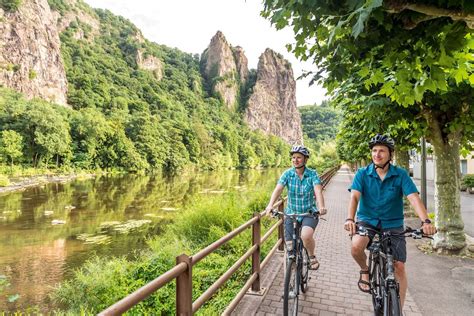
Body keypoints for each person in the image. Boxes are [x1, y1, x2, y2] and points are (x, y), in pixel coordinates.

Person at [344, 134, 436, 309]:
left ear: (390, 154)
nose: (377, 154)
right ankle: (365, 270)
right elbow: (354, 197)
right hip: (367, 221)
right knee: (356, 246)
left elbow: (414, 198)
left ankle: (398, 310)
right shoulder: (362, 174)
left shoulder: (400, 174)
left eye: (381, 151)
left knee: (399, 266)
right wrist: (350, 218)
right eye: (374, 150)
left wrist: (426, 221)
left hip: (393, 224)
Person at [265, 145, 327, 270]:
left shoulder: (312, 174)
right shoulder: (287, 174)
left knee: (305, 236)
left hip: (308, 213)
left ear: (305, 160)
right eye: (293, 158)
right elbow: (278, 189)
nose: (295, 160)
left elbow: (318, 191)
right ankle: (293, 272)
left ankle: (311, 256)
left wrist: (321, 206)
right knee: (289, 245)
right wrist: (270, 205)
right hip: (291, 214)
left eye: (299, 157)